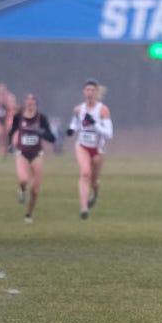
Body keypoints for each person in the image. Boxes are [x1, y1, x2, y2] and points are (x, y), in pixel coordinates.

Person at [66, 78, 113, 220]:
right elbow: (75, 123)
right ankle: (84, 208)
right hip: (82, 146)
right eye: (87, 90)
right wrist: (71, 130)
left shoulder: (103, 110)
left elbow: (109, 134)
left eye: (92, 90)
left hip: (98, 149)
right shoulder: (78, 109)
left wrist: (95, 124)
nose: (90, 93)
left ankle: (95, 192)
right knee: (85, 173)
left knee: (93, 180)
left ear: (97, 92)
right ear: (83, 92)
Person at [8, 94, 57, 223]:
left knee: (35, 190)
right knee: (23, 180)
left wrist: (41, 131)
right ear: (24, 103)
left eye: (32, 100)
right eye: (27, 100)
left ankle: (29, 214)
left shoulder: (42, 119)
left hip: (36, 154)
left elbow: (52, 138)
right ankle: (22, 190)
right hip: (22, 153)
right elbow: (12, 131)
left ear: (36, 104)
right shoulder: (18, 117)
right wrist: (9, 144)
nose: (30, 103)